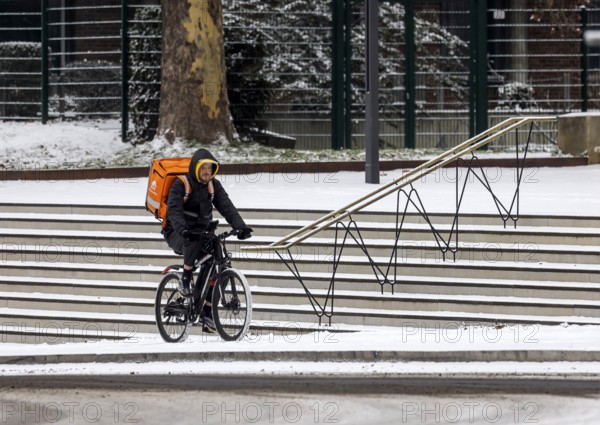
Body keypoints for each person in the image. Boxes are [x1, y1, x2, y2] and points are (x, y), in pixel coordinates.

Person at [162, 148, 252, 331]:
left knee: (222, 262)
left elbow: (227, 207)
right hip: (178, 232)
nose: (207, 172)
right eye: (204, 168)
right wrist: (183, 230)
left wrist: (240, 227)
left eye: (210, 168)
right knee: (193, 241)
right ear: (196, 167)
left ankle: (208, 313)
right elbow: (174, 210)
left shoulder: (213, 186)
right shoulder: (181, 184)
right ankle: (185, 279)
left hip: (203, 232)